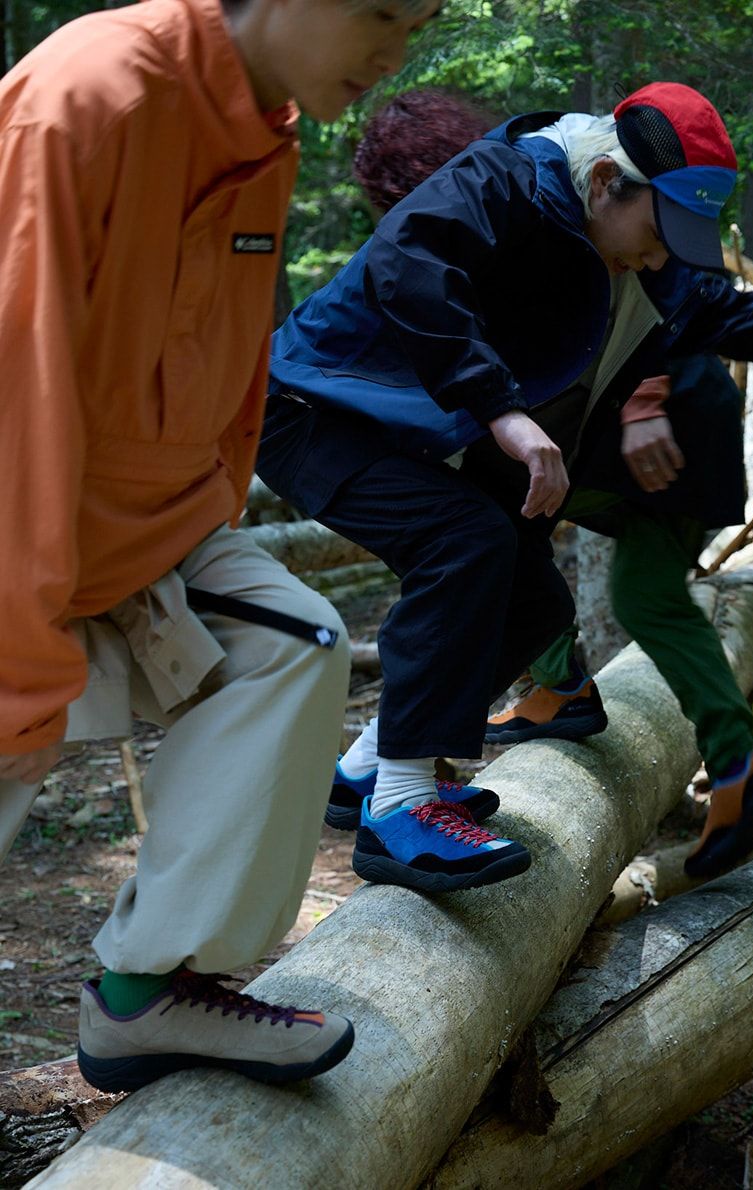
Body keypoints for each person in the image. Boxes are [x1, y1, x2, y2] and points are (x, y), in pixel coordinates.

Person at [257, 82, 753, 895]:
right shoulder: (505, 178)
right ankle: (397, 811)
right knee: (463, 542)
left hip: (391, 428)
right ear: (606, 180)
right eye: (655, 230)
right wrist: (502, 411)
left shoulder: (656, 269)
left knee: (534, 602)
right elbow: (407, 264)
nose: (658, 255)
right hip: (311, 405)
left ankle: (363, 773)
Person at [0, 0, 440, 1093]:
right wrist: (21, 646)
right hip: (22, 520)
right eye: (381, 11)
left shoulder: (265, 129)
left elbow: (226, 370)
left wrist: (205, 519)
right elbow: (18, 388)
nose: (394, 51)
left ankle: (152, 990)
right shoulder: (91, 97)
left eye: (419, 24)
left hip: (147, 527)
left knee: (293, 640)